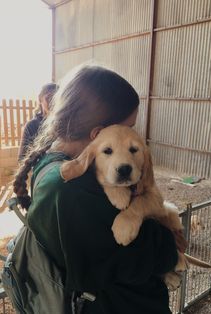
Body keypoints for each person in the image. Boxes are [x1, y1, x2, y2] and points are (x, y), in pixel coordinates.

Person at [13, 65, 180, 314]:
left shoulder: (49, 163)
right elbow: (159, 255)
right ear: (99, 134)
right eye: (129, 126)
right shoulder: (74, 190)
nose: (133, 133)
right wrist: (169, 239)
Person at [18, 82, 58, 161]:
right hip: (41, 171)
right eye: (49, 98)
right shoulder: (32, 125)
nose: (53, 103)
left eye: (56, 99)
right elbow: (22, 158)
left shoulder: (65, 123)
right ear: (40, 99)